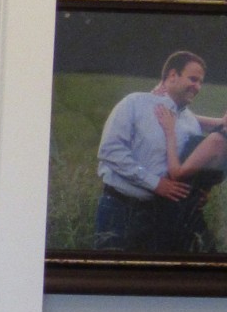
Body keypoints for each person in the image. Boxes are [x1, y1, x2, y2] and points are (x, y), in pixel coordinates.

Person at [93, 51, 222, 254]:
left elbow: (190, 167)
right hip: (120, 208)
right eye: (193, 79)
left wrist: (199, 192)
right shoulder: (134, 104)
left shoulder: (191, 124)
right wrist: (155, 183)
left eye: (200, 82)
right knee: (110, 278)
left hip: (160, 217)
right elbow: (110, 151)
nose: (197, 87)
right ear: (172, 75)